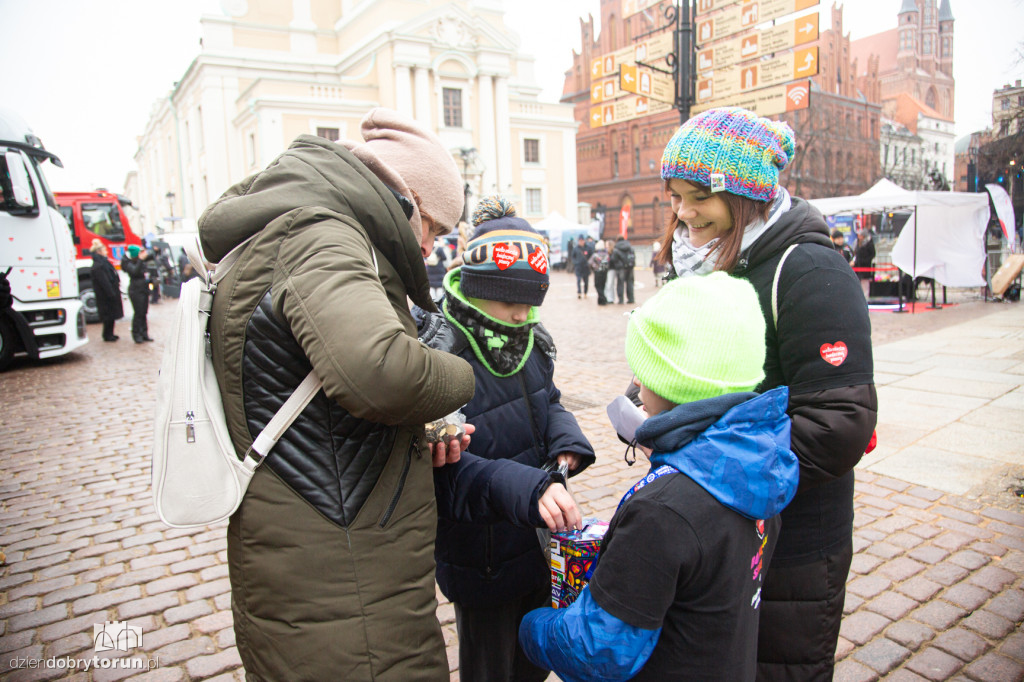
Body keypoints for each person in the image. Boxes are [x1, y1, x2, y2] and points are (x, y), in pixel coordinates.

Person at [197, 108, 580, 680]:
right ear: (408, 202)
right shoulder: (320, 237)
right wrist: (462, 379)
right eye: (433, 229)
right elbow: (379, 372)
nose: (428, 248)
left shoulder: (316, 233)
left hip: (341, 533)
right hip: (338, 549)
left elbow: (340, 398)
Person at [653, 107, 877, 680]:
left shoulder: (809, 269)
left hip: (793, 534)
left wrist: (711, 465)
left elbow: (839, 423)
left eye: (699, 196)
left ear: (746, 194)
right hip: (721, 523)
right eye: (675, 197)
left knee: (778, 666)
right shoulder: (706, 261)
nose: (683, 213)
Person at [519, 273, 799, 680]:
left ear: (675, 382)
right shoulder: (761, 463)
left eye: (645, 369)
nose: (636, 381)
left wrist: (533, 626)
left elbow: (598, 651)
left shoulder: (660, 511)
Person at [417, 195, 596, 682]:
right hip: (483, 556)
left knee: (534, 662)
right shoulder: (440, 352)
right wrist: (529, 489)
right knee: (491, 667)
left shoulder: (532, 339)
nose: (521, 315)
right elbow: (443, 471)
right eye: (509, 302)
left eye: (530, 303)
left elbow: (548, 400)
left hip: (537, 539)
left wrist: (566, 442)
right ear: (477, 289)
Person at [88, 239, 123, 342]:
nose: (106, 251)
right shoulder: (99, 265)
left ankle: (110, 333)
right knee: (108, 315)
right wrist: (111, 293)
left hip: (110, 292)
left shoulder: (104, 262)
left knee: (111, 314)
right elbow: (104, 281)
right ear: (99, 251)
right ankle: (107, 335)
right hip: (105, 295)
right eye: (104, 250)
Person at [120, 245, 153, 343]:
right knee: (138, 313)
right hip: (136, 290)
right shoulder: (129, 263)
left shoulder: (139, 261)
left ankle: (144, 333)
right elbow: (134, 271)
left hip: (143, 288)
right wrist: (140, 260)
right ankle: (136, 334)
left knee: (144, 312)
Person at [610, 235, 636, 304]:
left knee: (620, 284)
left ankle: (621, 299)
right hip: (630, 267)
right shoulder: (629, 246)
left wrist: (618, 265)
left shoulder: (616, 248)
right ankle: (631, 298)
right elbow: (633, 256)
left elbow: (614, 259)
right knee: (630, 283)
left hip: (621, 268)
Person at [854, 225, 876, 296]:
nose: (859, 237)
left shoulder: (869, 244)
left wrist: (865, 260)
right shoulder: (857, 242)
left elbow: (872, 254)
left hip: (865, 267)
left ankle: (866, 297)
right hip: (858, 266)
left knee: (865, 284)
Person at [589, 240, 611, 305]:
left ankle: (603, 298)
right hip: (605, 271)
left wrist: (594, 267)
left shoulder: (595, 255)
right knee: (602, 286)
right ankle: (600, 300)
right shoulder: (606, 254)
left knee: (597, 285)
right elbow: (609, 262)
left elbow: (590, 262)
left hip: (598, 272)